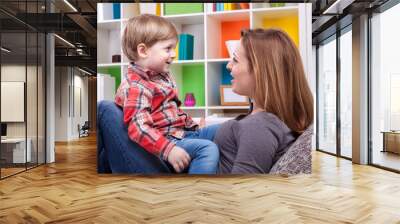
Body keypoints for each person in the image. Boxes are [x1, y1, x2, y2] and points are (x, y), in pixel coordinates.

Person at [114, 14, 219, 174]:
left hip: (181, 134)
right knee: (207, 149)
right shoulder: (137, 85)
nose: (174, 54)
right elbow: (138, 128)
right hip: (166, 141)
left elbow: (175, 112)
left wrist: (195, 128)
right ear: (143, 51)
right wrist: (168, 150)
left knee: (225, 130)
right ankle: (196, 194)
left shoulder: (162, 77)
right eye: (168, 48)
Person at [214, 28, 314, 174]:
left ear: (260, 71)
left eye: (235, 59)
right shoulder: (264, 121)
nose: (229, 65)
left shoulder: (259, 126)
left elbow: (241, 190)